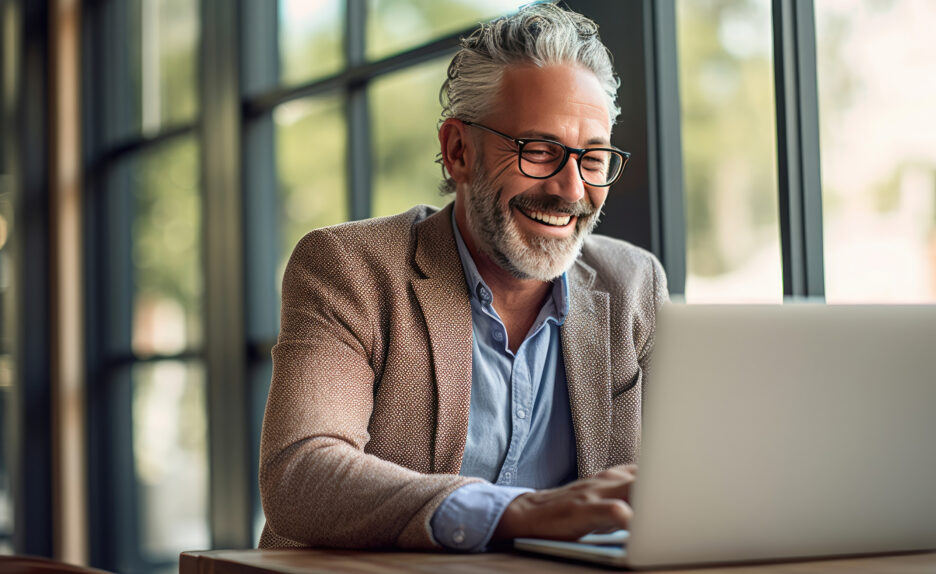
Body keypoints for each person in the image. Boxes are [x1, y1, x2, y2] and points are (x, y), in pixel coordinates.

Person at [258, 3, 668, 552]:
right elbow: (301, 477)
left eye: (592, 159)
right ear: (458, 151)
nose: (571, 190)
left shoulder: (633, 284)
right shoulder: (348, 267)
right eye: (540, 150)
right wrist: (520, 512)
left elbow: (690, 478)